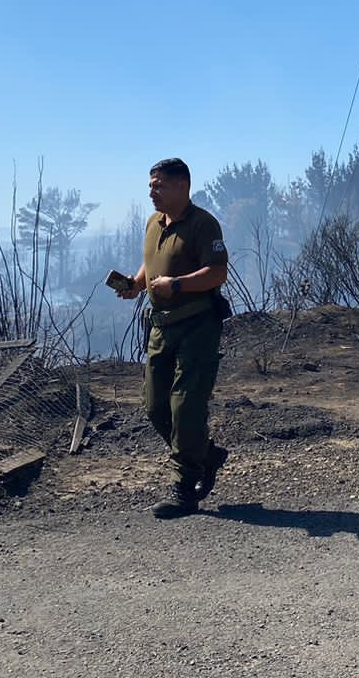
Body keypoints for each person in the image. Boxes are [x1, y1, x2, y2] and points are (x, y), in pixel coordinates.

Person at [115, 158, 231, 519]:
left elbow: (218, 273)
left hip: (197, 326)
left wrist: (178, 284)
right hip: (160, 327)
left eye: (160, 185)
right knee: (154, 406)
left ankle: (185, 488)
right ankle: (206, 455)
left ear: (183, 187)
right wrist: (136, 284)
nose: (152, 191)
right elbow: (153, 260)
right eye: (151, 185)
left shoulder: (202, 224)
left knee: (186, 407)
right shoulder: (153, 223)